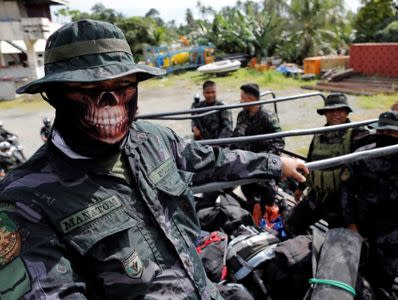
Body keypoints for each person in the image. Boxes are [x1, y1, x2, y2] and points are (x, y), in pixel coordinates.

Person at [0, 19, 308, 299]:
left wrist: (275, 164)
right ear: (53, 95)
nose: (111, 104)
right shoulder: (25, 201)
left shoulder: (151, 139)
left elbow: (209, 159)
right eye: (88, 90)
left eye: (123, 87)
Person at [340, 110, 398, 298]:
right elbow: (346, 192)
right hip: (360, 231)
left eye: (392, 133)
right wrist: (350, 224)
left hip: (391, 236)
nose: (387, 136)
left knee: (384, 283)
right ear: (376, 132)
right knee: (354, 278)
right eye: (383, 132)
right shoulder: (360, 157)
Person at [285, 93, 373, 235]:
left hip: (341, 201)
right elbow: (310, 162)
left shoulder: (358, 133)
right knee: (291, 225)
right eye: (330, 111)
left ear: (346, 112)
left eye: (340, 110)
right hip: (317, 195)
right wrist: (301, 187)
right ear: (325, 114)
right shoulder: (319, 134)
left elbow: (378, 147)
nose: (335, 114)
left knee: (337, 241)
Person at [232, 83, 285, 219]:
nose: (240, 101)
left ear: (250, 99)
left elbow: (279, 141)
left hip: (263, 166)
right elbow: (236, 137)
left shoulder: (268, 117)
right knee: (249, 196)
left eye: (242, 98)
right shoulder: (242, 115)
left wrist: (266, 161)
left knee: (268, 200)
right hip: (246, 164)